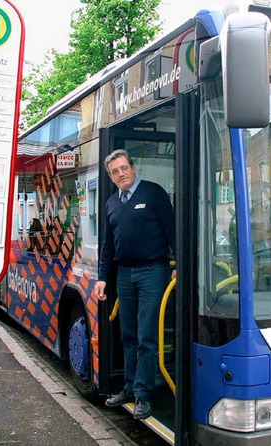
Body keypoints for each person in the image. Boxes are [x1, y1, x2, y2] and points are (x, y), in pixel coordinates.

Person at [94, 149, 175, 420]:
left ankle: (143, 394)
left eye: (124, 168)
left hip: (153, 271)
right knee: (127, 335)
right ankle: (129, 387)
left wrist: (181, 267)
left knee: (147, 336)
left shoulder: (153, 193)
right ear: (111, 176)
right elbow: (107, 246)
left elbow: (173, 231)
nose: (121, 174)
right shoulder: (111, 204)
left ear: (133, 167)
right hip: (124, 275)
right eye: (115, 171)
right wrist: (103, 278)